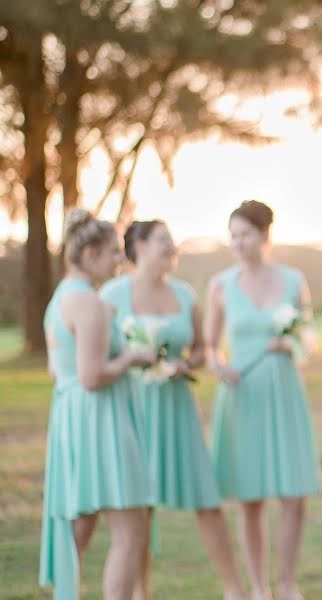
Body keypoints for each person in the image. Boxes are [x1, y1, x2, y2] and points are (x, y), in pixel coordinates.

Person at [100, 220, 247, 600]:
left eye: (172, 241)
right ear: (139, 245)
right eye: (163, 240)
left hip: (178, 407)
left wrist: (187, 363)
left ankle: (235, 590)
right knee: (139, 509)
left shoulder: (184, 294)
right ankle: (140, 593)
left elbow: (200, 348)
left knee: (206, 499)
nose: (171, 246)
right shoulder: (112, 294)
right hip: (133, 408)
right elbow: (102, 349)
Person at [205, 201, 322, 600]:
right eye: (233, 236)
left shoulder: (293, 280)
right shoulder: (219, 285)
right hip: (242, 395)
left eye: (246, 235)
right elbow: (208, 347)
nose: (238, 243)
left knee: (293, 494)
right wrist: (218, 365)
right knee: (250, 497)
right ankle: (258, 588)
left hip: (282, 391)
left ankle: (287, 583)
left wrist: (289, 341)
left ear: (265, 235)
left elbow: (308, 337)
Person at [39, 208, 155, 599]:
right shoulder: (87, 302)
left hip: (72, 418)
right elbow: (92, 377)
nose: (118, 261)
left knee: (82, 523)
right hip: (99, 418)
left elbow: (62, 373)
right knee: (131, 530)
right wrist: (132, 357)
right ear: (89, 255)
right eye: (111, 253)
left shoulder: (60, 300)